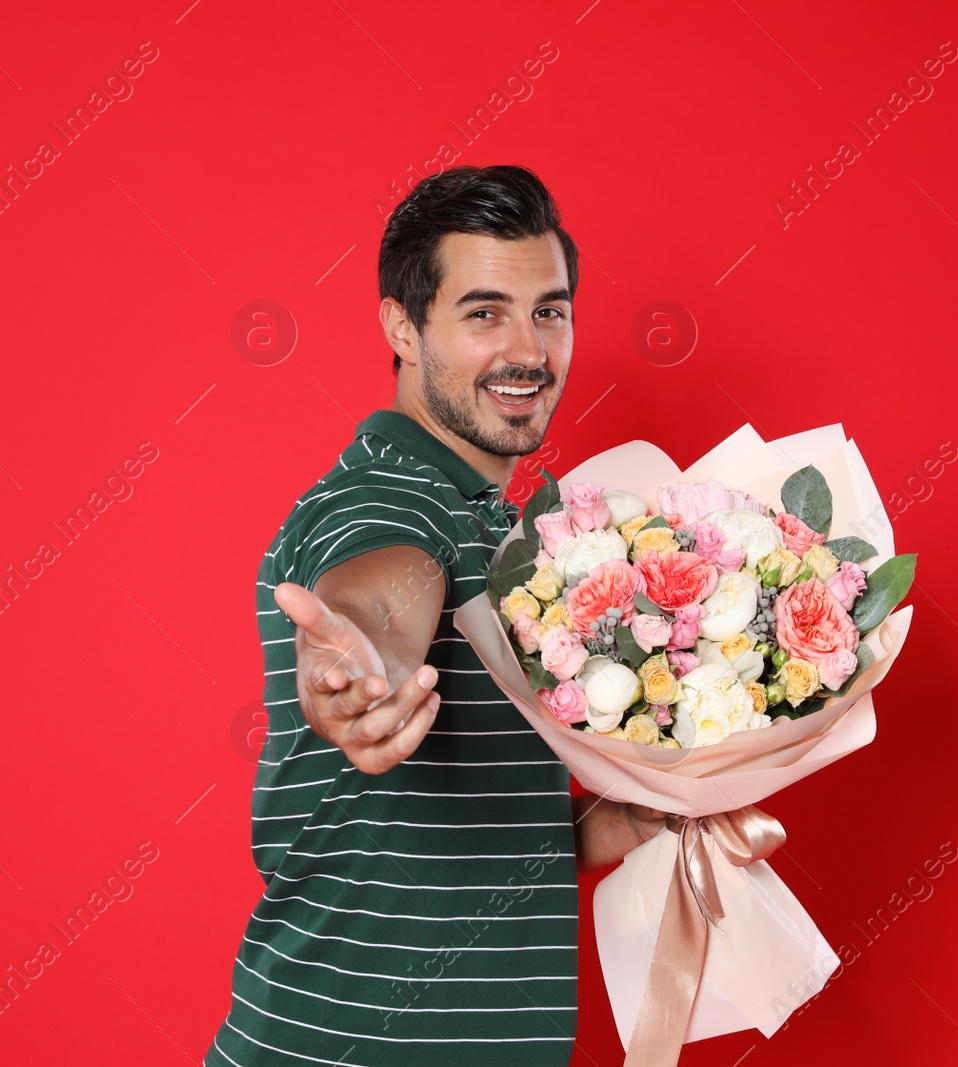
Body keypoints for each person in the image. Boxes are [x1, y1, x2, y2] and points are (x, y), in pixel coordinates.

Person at [204, 164, 667, 1066]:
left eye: (551, 310)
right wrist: (357, 671)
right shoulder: (387, 499)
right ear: (400, 327)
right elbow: (381, 594)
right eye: (484, 313)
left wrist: (578, 834)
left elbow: (415, 835)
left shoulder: (500, 529)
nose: (527, 349)